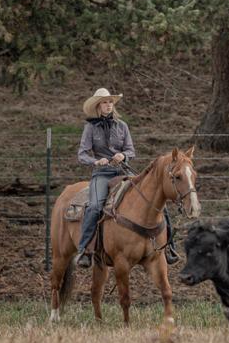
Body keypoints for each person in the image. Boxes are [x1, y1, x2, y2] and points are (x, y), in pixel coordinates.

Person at [75, 87, 179, 268]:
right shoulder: (90, 127)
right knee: (94, 206)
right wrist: (96, 161)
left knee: (157, 199)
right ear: (98, 106)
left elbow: (131, 150)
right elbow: (82, 154)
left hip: (124, 171)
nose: (108, 105)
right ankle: (85, 250)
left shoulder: (122, 126)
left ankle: (169, 246)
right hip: (102, 174)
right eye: (105, 102)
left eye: (110, 102)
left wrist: (124, 156)